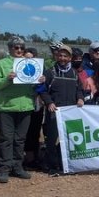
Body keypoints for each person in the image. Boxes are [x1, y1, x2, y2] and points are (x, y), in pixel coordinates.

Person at [0, 37, 43, 183]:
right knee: (6, 139)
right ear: (10, 49)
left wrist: (39, 80)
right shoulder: (2, 64)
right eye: (16, 47)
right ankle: (4, 169)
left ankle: (18, 167)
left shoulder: (30, 64)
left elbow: (32, 86)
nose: (19, 50)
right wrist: (7, 79)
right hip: (6, 107)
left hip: (25, 106)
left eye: (21, 48)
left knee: (20, 140)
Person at [37, 44, 84, 175]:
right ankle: (52, 166)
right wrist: (49, 102)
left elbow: (79, 89)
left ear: (70, 58)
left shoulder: (74, 73)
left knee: (69, 139)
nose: (62, 58)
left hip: (70, 112)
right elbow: (41, 88)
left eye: (65, 56)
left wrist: (80, 98)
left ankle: (65, 164)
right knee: (52, 140)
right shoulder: (50, 72)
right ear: (57, 56)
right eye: (60, 55)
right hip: (55, 112)